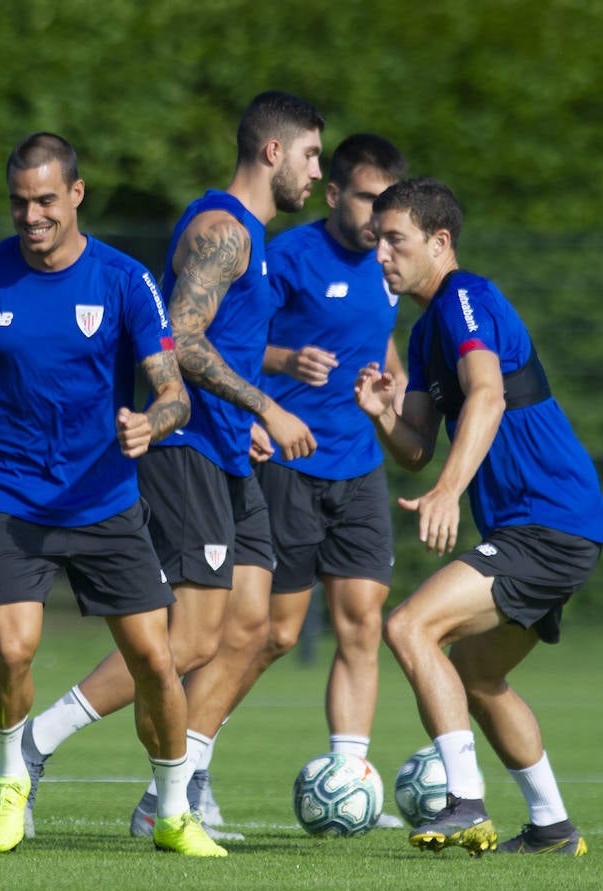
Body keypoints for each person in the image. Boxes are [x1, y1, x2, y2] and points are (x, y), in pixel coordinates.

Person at [0, 133, 225, 857]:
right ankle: (9, 777)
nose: (31, 216)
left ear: (77, 195)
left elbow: (172, 393)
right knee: (13, 646)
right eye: (20, 202)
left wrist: (148, 425)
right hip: (7, 496)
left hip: (103, 500)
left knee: (158, 660)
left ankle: (175, 812)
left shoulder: (123, 280)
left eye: (46, 201)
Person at [20, 90, 326, 840]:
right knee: (189, 640)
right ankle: (34, 745)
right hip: (185, 451)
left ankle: (176, 786)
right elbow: (180, 340)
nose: (318, 173)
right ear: (274, 152)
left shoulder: (248, 231)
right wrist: (266, 408)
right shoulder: (224, 230)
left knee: (256, 628)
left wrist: (244, 423)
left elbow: (226, 337)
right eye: (313, 155)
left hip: (228, 455)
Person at [354, 176, 603, 856]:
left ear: (439, 243)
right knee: (476, 674)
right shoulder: (424, 334)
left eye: (396, 241)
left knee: (410, 626)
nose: (381, 253)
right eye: (376, 240)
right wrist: (384, 414)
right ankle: (553, 828)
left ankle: (465, 803)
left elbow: (489, 396)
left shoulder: (465, 299)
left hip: (548, 519)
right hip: (548, 527)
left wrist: (448, 493)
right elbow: (414, 448)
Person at [191, 134, 410, 830]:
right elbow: (235, 338)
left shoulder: (388, 264)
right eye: (370, 198)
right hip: (288, 465)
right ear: (335, 193)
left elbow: (380, 333)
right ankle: (189, 770)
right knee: (268, 636)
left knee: (362, 626)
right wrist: (288, 360)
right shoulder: (286, 255)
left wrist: (393, 380)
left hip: (360, 469)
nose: (381, 216)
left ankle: (351, 777)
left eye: (390, 203)